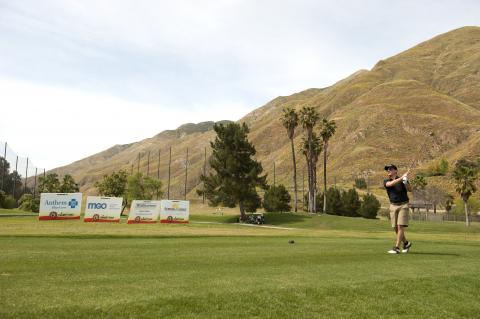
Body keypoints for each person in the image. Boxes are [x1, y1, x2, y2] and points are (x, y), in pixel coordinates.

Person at [384, 164, 413, 254]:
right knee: (395, 228)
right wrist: (401, 178)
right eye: (387, 170)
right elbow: (390, 184)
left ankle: (396, 247)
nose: (388, 171)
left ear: (395, 171)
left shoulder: (403, 180)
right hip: (393, 206)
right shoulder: (386, 181)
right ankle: (406, 243)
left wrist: (405, 181)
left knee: (400, 226)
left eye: (390, 169)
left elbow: (410, 189)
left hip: (403, 205)